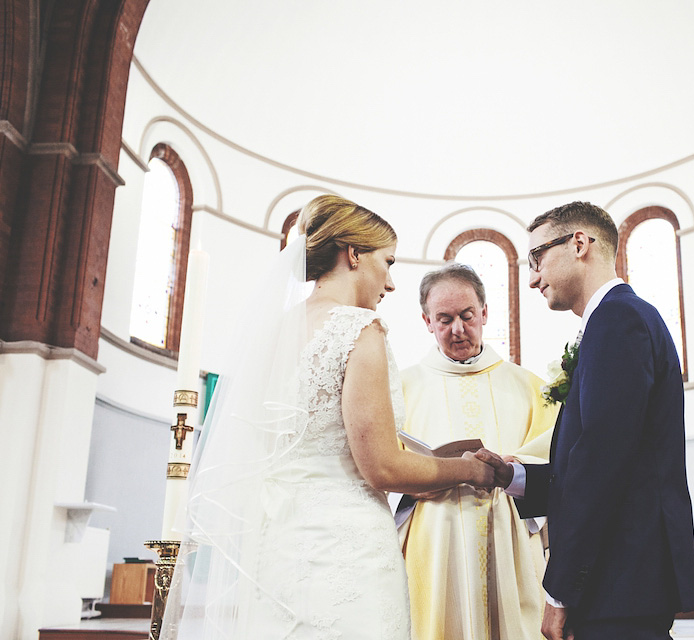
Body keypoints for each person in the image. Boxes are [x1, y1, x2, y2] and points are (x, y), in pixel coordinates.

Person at [159, 195, 494, 640]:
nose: (390, 283)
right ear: (354, 253)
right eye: (387, 261)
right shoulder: (359, 329)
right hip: (345, 553)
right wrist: (469, 470)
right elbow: (382, 467)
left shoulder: (275, 331)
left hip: (275, 551)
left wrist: (429, 457)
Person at [476, 201, 694, 640]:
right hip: (622, 576)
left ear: (579, 243)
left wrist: (559, 594)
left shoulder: (617, 320)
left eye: (537, 257)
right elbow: (605, 459)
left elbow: (600, 465)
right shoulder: (617, 320)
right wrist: (513, 476)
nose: (533, 277)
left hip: (620, 574)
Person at [395, 263, 559, 640]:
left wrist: (516, 467)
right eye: (444, 319)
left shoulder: (529, 386)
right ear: (426, 321)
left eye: (467, 316)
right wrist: (413, 482)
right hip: (435, 542)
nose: (457, 329)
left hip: (509, 535)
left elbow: (553, 455)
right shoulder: (401, 389)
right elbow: (384, 467)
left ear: (485, 313)